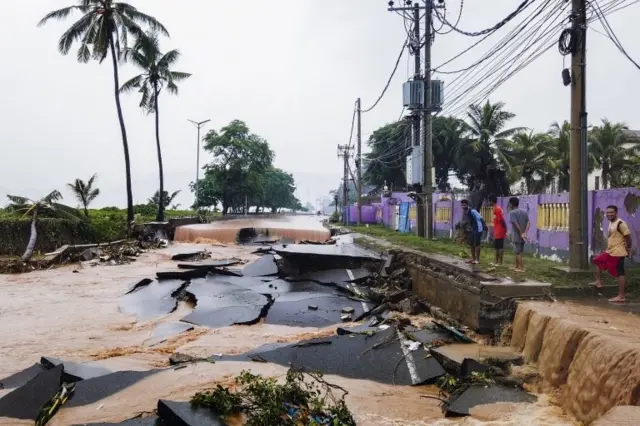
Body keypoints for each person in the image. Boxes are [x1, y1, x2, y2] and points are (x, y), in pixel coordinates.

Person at [593, 205, 632, 303]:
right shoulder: (611, 222)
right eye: (608, 212)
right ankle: (598, 281)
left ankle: (621, 296)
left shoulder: (620, 223)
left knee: (620, 273)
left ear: (616, 213)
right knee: (597, 260)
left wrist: (628, 249)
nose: (609, 214)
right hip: (610, 251)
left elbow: (628, 237)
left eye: (612, 212)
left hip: (618, 252)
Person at [508, 197, 530, 272]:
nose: (509, 204)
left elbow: (515, 224)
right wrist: (524, 233)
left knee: (518, 252)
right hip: (523, 235)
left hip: (517, 235)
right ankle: (516, 267)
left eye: (509, 203)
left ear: (511, 203)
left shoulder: (512, 213)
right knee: (518, 251)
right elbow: (528, 223)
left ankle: (521, 268)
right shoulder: (524, 212)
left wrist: (520, 233)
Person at [461, 199, 483, 264]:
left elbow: (480, 218)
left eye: (464, 205)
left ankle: (477, 260)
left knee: (477, 244)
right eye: (462, 205)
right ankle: (473, 259)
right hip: (472, 229)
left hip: (478, 228)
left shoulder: (473, 211)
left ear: (467, 205)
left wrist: (483, 227)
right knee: (471, 244)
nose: (463, 206)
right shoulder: (465, 212)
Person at [489, 195, 507, 266]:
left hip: (499, 230)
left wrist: (505, 228)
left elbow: (502, 220)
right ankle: (496, 262)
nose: (489, 202)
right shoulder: (495, 209)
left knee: (499, 247)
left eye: (489, 201)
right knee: (497, 246)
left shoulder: (497, 209)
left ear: (492, 201)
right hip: (497, 230)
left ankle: (499, 262)